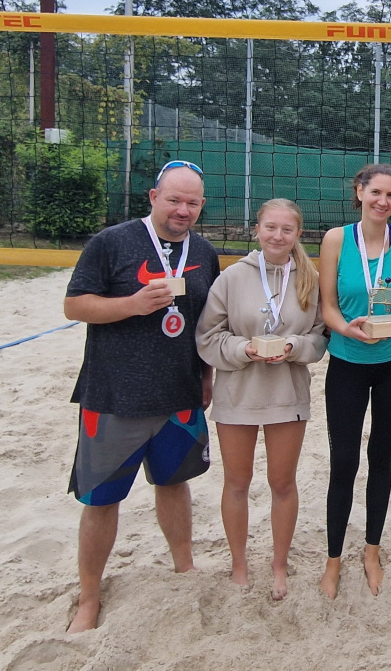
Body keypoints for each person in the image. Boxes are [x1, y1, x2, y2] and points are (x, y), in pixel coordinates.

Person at [63, 160, 220, 633]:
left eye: (192, 202)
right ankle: (89, 597)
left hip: (179, 394)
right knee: (101, 500)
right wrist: (130, 305)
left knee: (174, 484)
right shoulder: (111, 242)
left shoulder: (205, 251)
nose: (182, 209)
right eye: (174, 199)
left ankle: (184, 566)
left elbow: (206, 322)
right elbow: (74, 305)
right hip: (113, 395)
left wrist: (206, 376)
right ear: (153, 197)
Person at [195, 198, 328, 597]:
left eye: (286, 230)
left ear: (297, 234)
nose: (278, 235)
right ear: (258, 229)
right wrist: (243, 350)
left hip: (287, 393)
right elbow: (208, 336)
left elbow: (319, 338)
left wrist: (293, 345)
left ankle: (279, 565)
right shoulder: (232, 277)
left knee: (282, 483)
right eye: (271, 227)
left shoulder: (309, 277)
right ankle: (239, 564)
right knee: (237, 483)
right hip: (238, 391)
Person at [317, 163, 391, 598]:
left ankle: (372, 550)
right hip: (347, 360)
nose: (383, 201)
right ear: (359, 192)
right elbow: (327, 308)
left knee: (382, 458)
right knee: (344, 462)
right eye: (375, 192)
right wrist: (347, 329)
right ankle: (333, 558)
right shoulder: (336, 239)